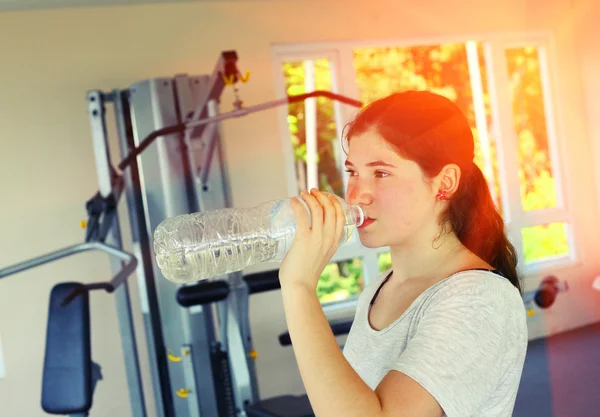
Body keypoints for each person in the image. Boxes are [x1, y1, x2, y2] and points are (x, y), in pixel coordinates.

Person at [277, 90, 528, 417]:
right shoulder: (379, 289)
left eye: (381, 173)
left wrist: (298, 288)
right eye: (353, 172)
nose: (356, 195)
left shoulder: (481, 299)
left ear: (445, 182)